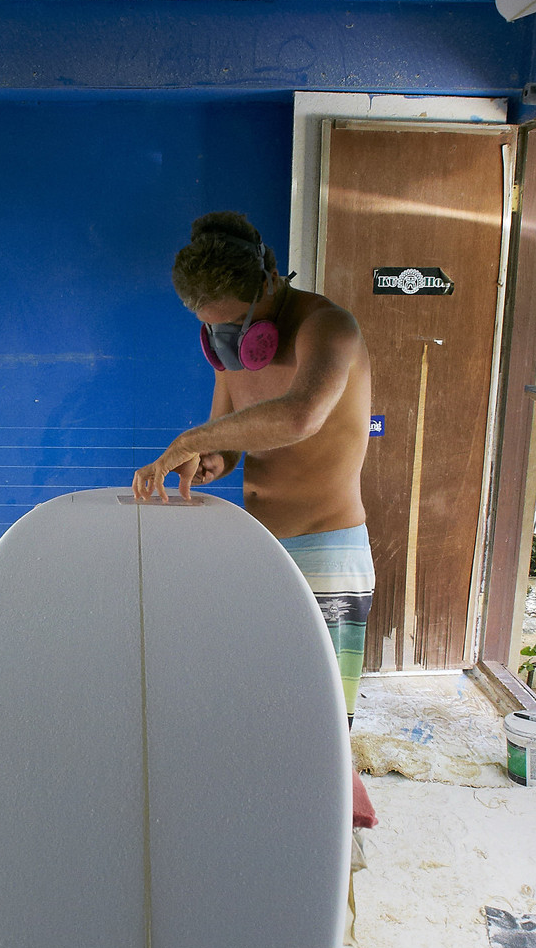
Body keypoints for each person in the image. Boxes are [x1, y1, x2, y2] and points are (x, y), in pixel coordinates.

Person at [132, 210, 374, 719]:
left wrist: (190, 439)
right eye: (212, 327)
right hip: (261, 546)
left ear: (269, 280)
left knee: (322, 717)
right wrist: (210, 460)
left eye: (236, 322)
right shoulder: (235, 355)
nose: (227, 337)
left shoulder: (328, 328)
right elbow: (229, 438)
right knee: (260, 707)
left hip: (326, 551)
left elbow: (301, 416)